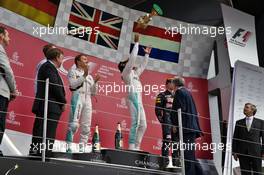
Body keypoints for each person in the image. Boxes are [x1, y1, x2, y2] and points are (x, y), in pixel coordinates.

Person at [30, 48, 66, 157]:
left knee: (44, 131)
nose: (62, 61)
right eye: (62, 58)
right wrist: (63, 101)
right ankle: (43, 154)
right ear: (56, 57)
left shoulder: (50, 67)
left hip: (50, 106)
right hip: (49, 106)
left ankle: (40, 152)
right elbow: (54, 85)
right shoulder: (48, 67)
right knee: (46, 132)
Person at [118, 34, 152, 150]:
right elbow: (132, 59)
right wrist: (136, 44)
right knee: (136, 123)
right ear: (124, 66)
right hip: (133, 99)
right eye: (127, 62)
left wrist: (146, 54)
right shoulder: (125, 74)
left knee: (143, 125)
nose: (131, 63)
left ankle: (137, 146)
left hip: (139, 101)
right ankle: (132, 147)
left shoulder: (135, 74)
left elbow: (142, 66)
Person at [65, 54, 100, 153]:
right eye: (84, 59)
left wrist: (95, 82)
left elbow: (93, 93)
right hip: (78, 97)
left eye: (87, 60)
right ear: (78, 62)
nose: (86, 61)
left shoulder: (89, 76)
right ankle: (68, 147)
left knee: (86, 126)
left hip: (88, 99)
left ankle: (82, 149)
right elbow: (72, 84)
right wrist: (84, 75)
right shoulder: (73, 71)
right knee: (74, 125)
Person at [171, 76, 202, 175]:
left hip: (186, 128)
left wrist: (175, 124)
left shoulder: (179, 92)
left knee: (187, 156)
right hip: (191, 127)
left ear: (174, 84)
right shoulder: (188, 92)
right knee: (190, 155)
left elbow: (179, 110)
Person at [232, 103, 264, 175]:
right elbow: (235, 138)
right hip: (243, 152)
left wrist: (263, 152)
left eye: (247, 107)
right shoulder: (239, 122)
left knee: (257, 172)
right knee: (245, 173)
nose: (244, 109)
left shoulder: (261, 122)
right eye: (244, 107)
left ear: (252, 110)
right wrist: (234, 152)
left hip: (256, 153)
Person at [0, 26, 17, 156]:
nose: (9, 38)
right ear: (1, 36)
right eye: (7, 35)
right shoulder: (0, 49)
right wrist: (14, 90)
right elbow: (8, 71)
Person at [155, 78, 179, 167]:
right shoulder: (162, 95)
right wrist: (164, 121)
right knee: (167, 141)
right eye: (172, 83)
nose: (174, 85)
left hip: (176, 123)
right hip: (167, 122)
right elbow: (157, 110)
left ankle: (176, 162)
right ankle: (165, 162)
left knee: (176, 142)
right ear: (167, 84)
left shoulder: (177, 96)